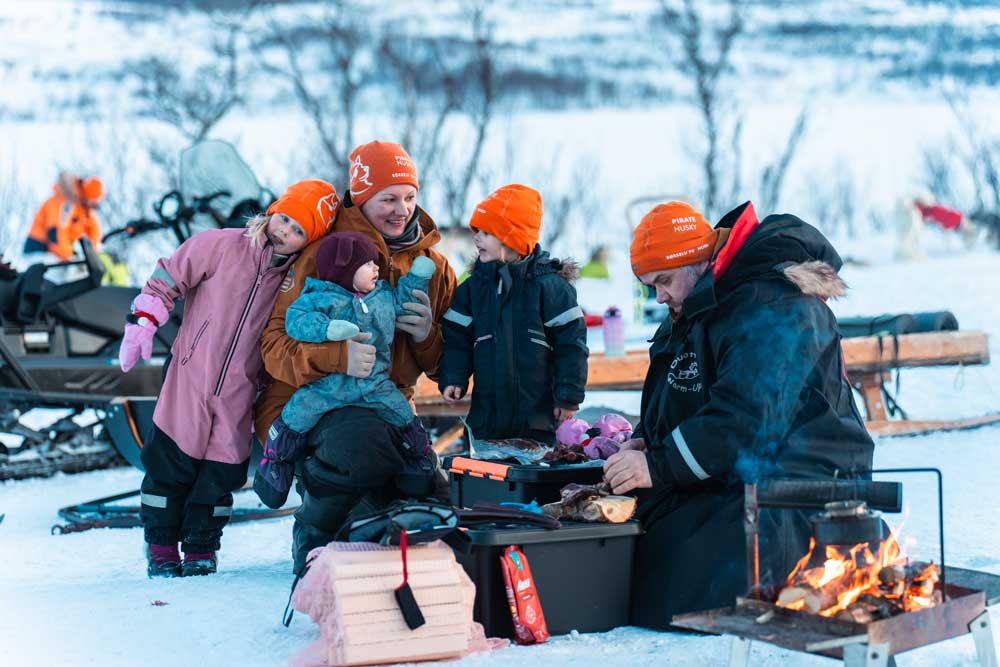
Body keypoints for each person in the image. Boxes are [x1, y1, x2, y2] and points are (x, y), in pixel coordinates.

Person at [604, 200, 875, 629]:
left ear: (698, 261)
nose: (659, 296)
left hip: (803, 482)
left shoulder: (776, 305)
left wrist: (656, 465)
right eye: (649, 286)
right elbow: (684, 391)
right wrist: (647, 437)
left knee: (675, 579)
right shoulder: (698, 303)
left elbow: (747, 419)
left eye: (663, 280)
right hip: (736, 471)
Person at [253, 141, 458, 574]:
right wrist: (336, 356)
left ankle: (375, 533)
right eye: (388, 199)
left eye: (410, 197)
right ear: (362, 200)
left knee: (419, 482)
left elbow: (450, 371)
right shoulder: (324, 252)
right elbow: (273, 346)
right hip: (310, 400)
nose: (402, 210)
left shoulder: (434, 266)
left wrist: (426, 337)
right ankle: (313, 537)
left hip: (386, 399)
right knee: (360, 444)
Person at [119, 179, 339, 578]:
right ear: (273, 211)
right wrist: (144, 320)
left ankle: (202, 546)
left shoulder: (294, 282)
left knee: (220, 474)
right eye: (284, 219)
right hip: (189, 377)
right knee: (170, 464)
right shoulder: (220, 245)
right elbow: (169, 276)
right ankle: (162, 547)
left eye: (298, 231)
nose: (285, 232)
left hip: (240, 392)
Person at [255, 232, 436, 507]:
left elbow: (403, 304)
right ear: (346, 270)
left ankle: (419, 461)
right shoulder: (320, 297)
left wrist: (417, 279)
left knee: (403, 414)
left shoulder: (382, 296)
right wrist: (327, 329)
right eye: (368, 264)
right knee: (297, 414)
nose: (376, 269)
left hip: (374, 383)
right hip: (330, 385)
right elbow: (296, 321)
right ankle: (275, 463)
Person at [438, 184, 589, 444]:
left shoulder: (549, 287)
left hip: (537, 421)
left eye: (486, 233)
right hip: (486, 422)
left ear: (511, 240)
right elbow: (456, 339)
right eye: (477, 231)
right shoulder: (473, 289)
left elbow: (571, 345)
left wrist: (568, 396)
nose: (476, 239)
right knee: (487, 479)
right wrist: (454, 376)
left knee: (529, 480)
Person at [24, 172, 104, 280]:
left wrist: (93, 257)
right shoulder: (63, 204)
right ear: (87, 196)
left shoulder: (83, 210)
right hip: (40, 251)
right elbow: (56, 234)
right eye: (93, 200)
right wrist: (69, 258)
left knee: (75, 275)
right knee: (59, 279)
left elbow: (94, 233)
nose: (93, 204)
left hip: (57, 253)